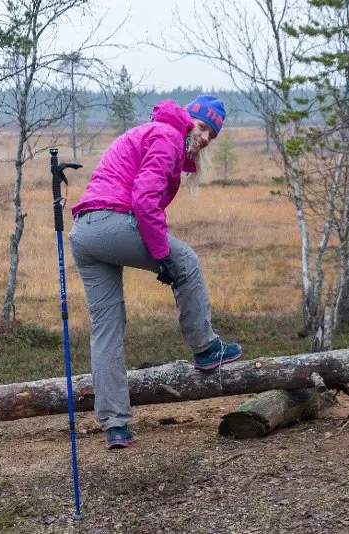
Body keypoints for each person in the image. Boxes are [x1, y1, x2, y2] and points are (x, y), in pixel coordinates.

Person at [68, 96, 243, 450]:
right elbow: (144, 200)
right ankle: (206, 349)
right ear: (189, 119)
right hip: (110, 221)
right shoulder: (166, 135)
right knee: (187, 262)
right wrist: (162, 255)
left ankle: (115, 425)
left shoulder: (155, 132)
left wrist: (160, 254)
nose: (206, 137)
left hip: (85, 232)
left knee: (107, 327)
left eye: (213, 133)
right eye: (204, 126)